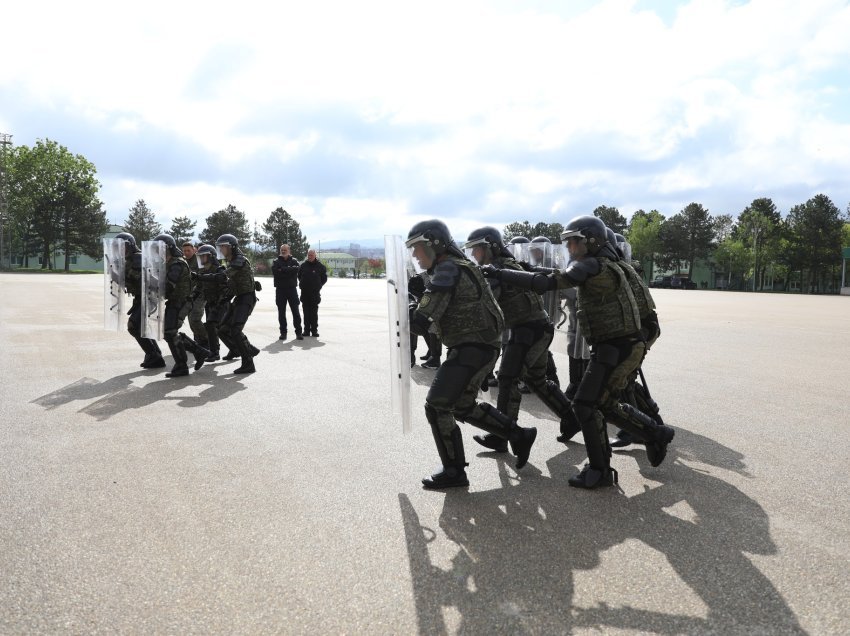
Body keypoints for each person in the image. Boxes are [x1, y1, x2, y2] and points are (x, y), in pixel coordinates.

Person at [482, 215, 675, 489]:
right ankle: (654, 433)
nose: (570, 249)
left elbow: (546, 283)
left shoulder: (594, 265)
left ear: (592, 241)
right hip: (615, 345)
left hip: (618, 346)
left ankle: (601, 469)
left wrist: (500, 273)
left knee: (587, 405)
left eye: (574, 242)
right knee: (600, 405)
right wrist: (525, 268)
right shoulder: (600, 263)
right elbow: (555, 276)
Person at [406, 219, 538, 490]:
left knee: (437, 405)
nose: (415, 255)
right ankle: (519, 435)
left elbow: (420, 323)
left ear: (435, 244)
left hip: (472, 346)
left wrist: (407, 302)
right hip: (480, 344)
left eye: (418, 248)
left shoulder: (447, 269)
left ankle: (454, 471)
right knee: (461, 405)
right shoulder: (459, 265)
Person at [464, 227, 579, 454]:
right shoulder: (508, 266)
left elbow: (485, 309)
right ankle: (571, 418)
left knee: (508, 379)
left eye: (477, 249)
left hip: (529, 330)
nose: (474, 255)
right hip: (535, 328)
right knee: (537, 379)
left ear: (490, 247)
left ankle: (502, 434)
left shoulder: (497, 270)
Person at [196, 234, 260, 374]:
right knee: (223, 329)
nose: (222, 250)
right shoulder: (232, 261)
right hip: (238, 298)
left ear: (232, 247)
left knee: (236, 330)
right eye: (220, 247)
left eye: (223, 247)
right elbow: (231, 284)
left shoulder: (239, 260)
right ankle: (248, 349)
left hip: (247, 298)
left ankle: (248, 363)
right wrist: (224, 300)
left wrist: (200, 277)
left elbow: (222, 276)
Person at [152, 234, 210, 378]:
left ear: (168, 248)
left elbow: (169, 285)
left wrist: (152, 285)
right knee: (169, 332)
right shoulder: (169, 262)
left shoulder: (177, 264)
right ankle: (198, 352)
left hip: (181, 301)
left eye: (160, 248)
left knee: (170, 331)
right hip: (175, 301)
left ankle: (183, 364)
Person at [116, 232, 165, 368]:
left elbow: (137, 277)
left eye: (123, 246)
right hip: (142, 297)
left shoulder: (138, 258)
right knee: (140, 327)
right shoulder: (129, 259)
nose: (121, 250)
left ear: (130, 245)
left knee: (133, 326)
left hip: (149, 297)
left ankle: (153, 354)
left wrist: (119, 274)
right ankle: (155, 355)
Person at [195, 244, 230, 362]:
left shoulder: (220, 270)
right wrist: (191, 298)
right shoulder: (203, 270)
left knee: (218, 327)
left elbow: (225, 289)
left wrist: (219, 303)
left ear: (211, 256)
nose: (201, 258)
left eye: (203, 256)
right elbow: (199, 287)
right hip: (210, 303)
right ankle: (216, 352)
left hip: (220, 304)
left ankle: (217, 352)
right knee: (214, 327)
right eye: (199, 256)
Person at [272, 244, 303, 340]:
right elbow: (276, 273)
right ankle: (283, 333)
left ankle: (298, 333)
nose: (283, 251)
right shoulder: (276, 262)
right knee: (281, 313)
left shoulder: (294, 261)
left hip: (292, 290)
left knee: (296, 312)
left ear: (289, 251)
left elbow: (297, 269)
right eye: (282, 250)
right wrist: (289, 271)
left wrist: (283, 270)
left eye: (285, 250)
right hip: (280, 290)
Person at [182, 241, 209, 351]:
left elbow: (203, 277)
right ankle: (198, 341)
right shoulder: (182, 261)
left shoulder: (199, 261)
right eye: (184, 251)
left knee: (194, 318)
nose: (186, 252)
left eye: (189, 250)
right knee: (191, 320)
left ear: (194, 250)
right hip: (188, 294)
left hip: (200, 293)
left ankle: (206, 341)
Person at [298, 248, 327, 337]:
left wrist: (318, 285)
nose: (310, 257)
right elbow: (299, 276)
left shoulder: (320, 266)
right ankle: (306, 330)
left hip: (315, 294)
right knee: (306, 313)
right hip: (305, 293)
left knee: (314, 313)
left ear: (315, 255)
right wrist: (303, 284)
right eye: (309, 255)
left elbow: (324, 278)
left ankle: (314, 330)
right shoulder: (303, 266)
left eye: (312, 255)